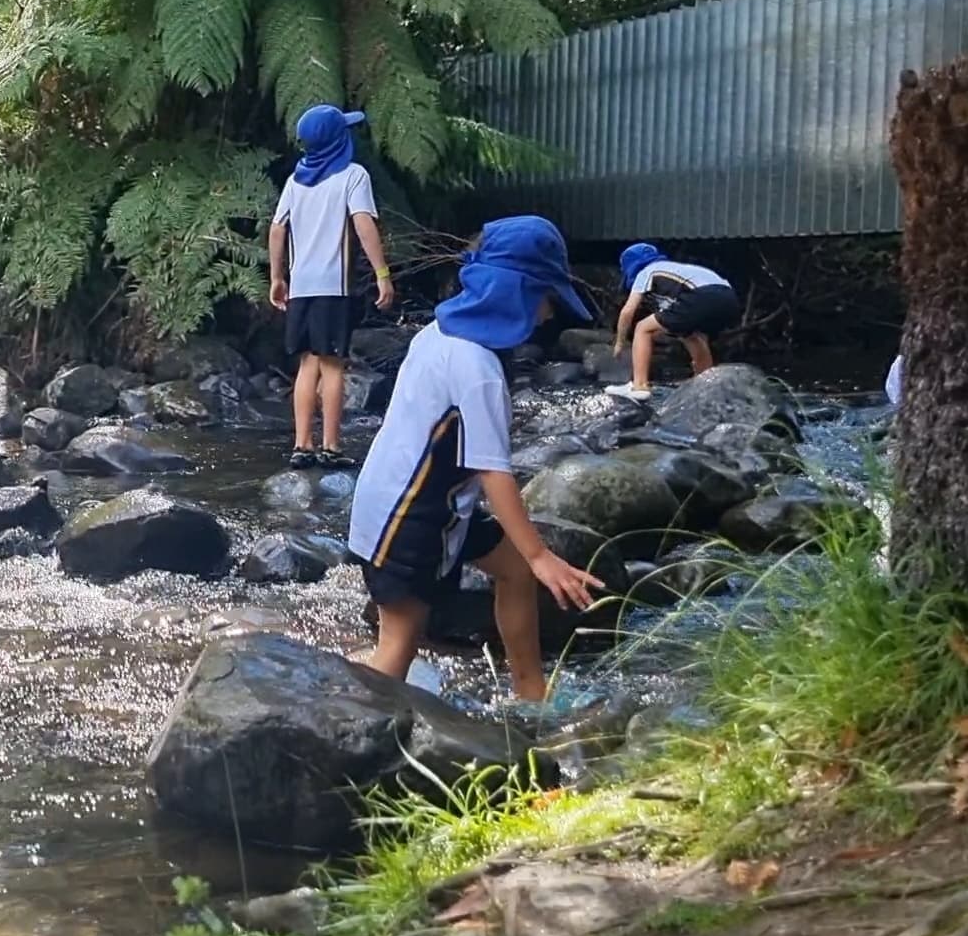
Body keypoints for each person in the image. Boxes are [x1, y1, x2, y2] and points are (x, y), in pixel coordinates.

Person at [348, 216, 604, 703]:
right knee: (399, 646)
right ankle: (345, 740)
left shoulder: (439, 331)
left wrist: (528, 559)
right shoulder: (477, 367)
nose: (548, 316)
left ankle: (531, 691)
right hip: (409, 518)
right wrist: (541, 554)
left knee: (513, 571)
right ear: (516, 295)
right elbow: (493, 471)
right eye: (546, 299)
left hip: (416, 502)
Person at [269, 104, 395, 470]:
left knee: (307, 364)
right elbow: (363, 225)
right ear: (339, 140)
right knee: (334, 365)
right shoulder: (353, 176)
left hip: (302, 287)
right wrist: (382, 273)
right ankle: (331, 447)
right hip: (333, 287)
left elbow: (278, 228)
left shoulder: (296, 181)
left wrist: (278, 277)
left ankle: (301, 445)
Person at [605, 242, 740, 402]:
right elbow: (680, 321)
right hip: (730, 298)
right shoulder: (673, 269)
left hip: (700, 294)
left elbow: (628, 311)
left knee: (642, 328)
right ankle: (704, 383)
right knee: (689, 334)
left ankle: (639, 386)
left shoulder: (647, 271)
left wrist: (619, 342)